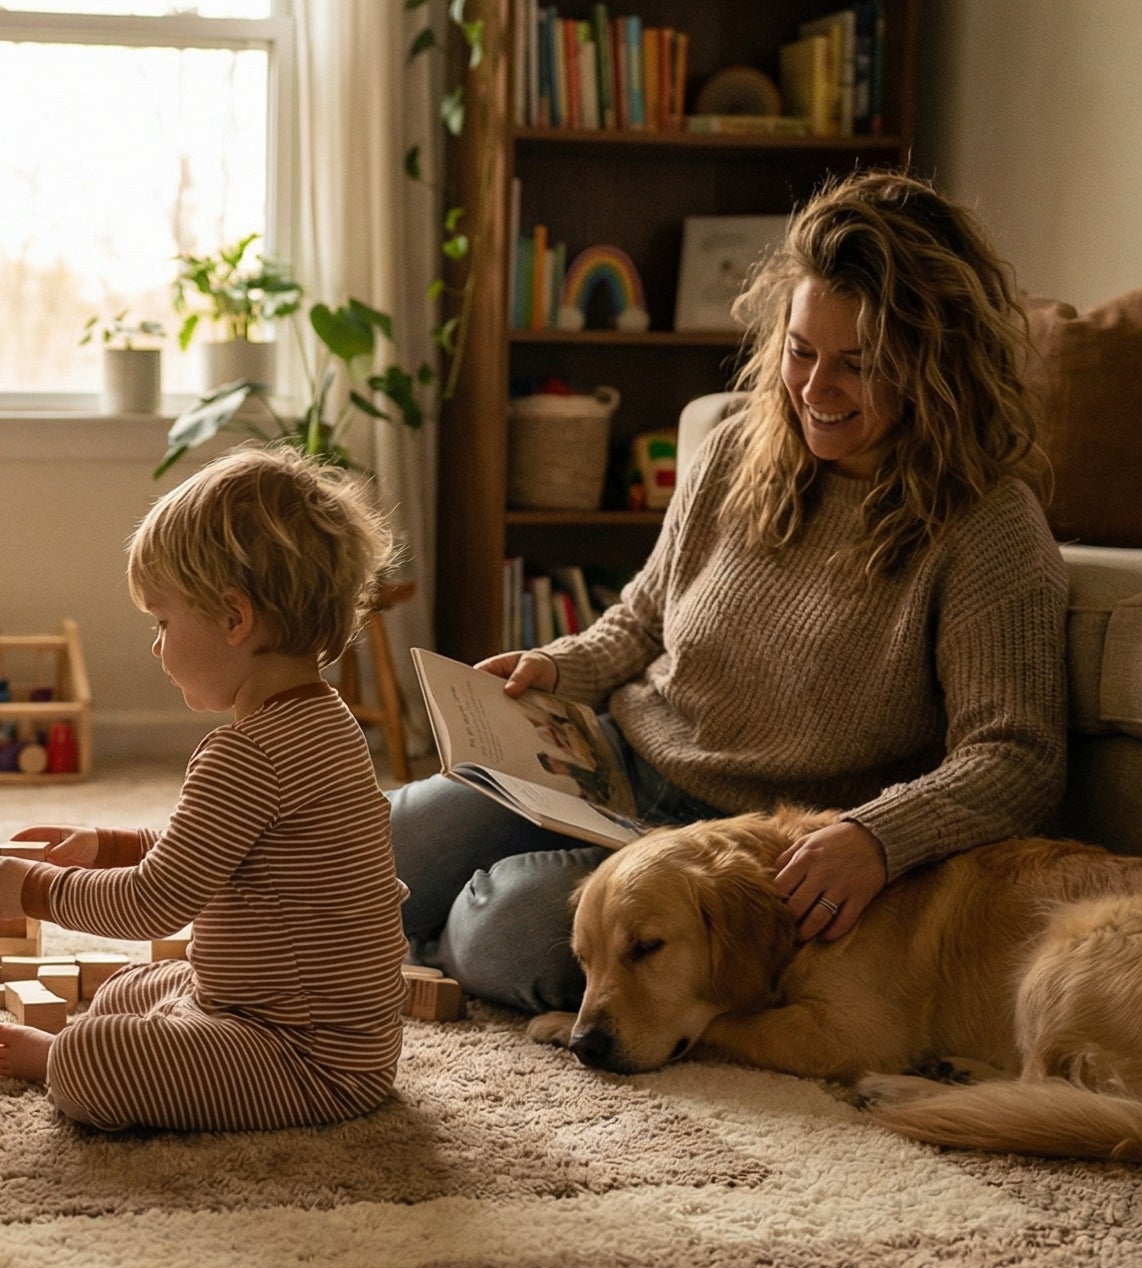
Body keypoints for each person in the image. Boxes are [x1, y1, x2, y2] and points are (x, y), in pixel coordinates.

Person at [393, 168, 1067, 1014]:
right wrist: (555, 670)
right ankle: (396, 936)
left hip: (742, 854)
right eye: (801, 351)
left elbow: (1018, 756)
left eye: (859, 366)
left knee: (503, 927)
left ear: (936, 366)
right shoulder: (733, 446)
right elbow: (642, 618)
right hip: (614, 768)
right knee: (395, 837)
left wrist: (878, 837)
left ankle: (418, 942)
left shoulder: (988, 526)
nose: (816, 391)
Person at [0, 446, 409, 1132]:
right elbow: (219, 854)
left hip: (309, 1060)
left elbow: (156, 902)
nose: (156, 646)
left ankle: (63, 1057)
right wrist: (110, 844)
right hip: (317, 1028)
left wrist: (37, 890)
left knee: (96, 1052)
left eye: (162, 621)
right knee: (132, 986)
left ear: (234, 620)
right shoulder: (327, 721)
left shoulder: (248, 753)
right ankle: (138, 1035)